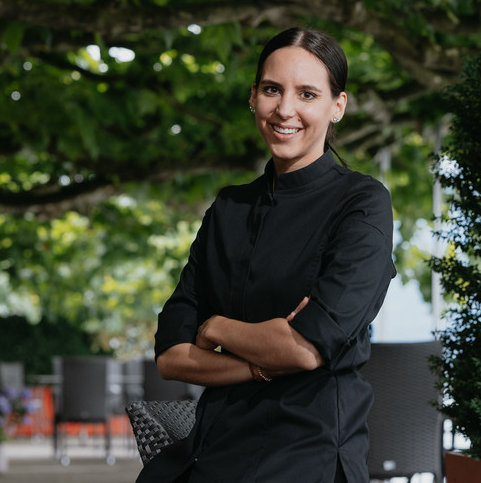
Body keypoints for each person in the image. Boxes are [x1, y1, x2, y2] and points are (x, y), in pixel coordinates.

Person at [135, 27, 396, 483]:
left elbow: (307, 348)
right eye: (272, 89)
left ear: (337, 107)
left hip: (304, 452)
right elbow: (172, 356)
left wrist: (215, 327)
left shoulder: (362, 203)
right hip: (210, 449)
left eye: (307, 94)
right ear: (253, 97)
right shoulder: (229, 208)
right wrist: (258, 362)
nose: (285, 109)